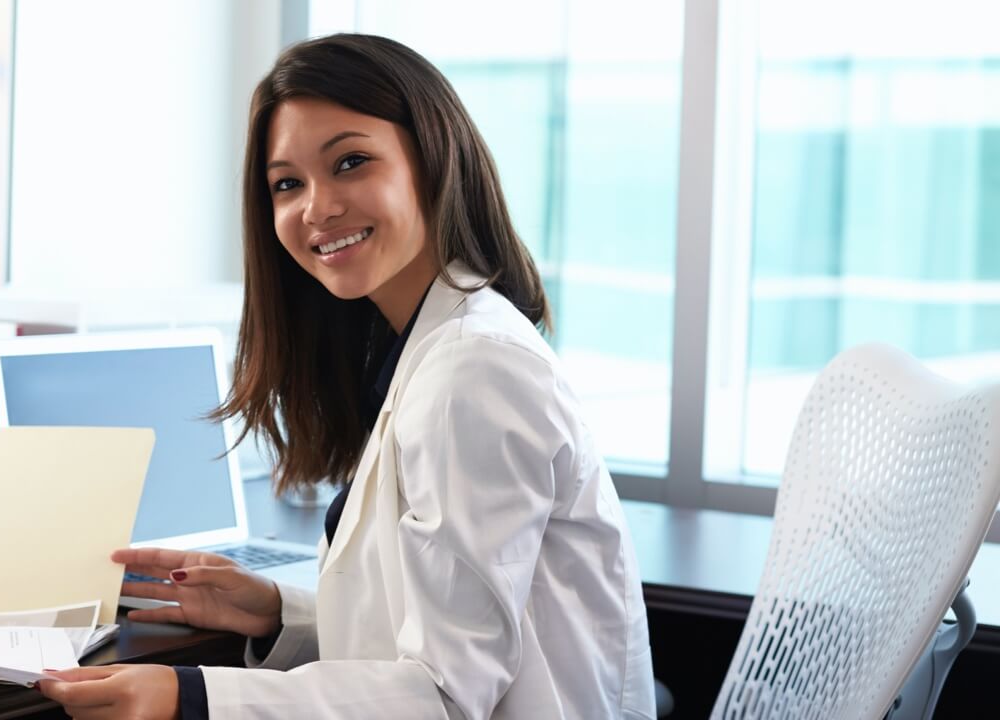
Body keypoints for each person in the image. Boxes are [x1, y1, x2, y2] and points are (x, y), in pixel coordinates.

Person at [39, 33, 655, 719]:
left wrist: (194, 697)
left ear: (432, 159)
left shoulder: (473, 371)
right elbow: (417, 637)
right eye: (287, 184)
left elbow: (445, 696)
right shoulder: (423, 348)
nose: (317, 208)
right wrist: (279, 614)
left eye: (351, 162)